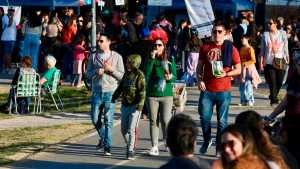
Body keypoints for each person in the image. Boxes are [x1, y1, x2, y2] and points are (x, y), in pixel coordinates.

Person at [196, 20, 241, 154]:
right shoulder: (205, 47)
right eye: (214, 31)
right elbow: (199, 67)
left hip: (224, 90)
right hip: (207, 90)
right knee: (204, 118)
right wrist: (199, 80)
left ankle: (219, 146)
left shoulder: (231, 48)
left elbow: (238, 69)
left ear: (225, 33)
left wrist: (226, 73)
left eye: (219, 31)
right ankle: (207, 139)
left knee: (222, 122)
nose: (216, 34)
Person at [86, 33, 124, 156]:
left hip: (111, 91)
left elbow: (122, 76)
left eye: (102, 41)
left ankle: (107, 146)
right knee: (94, 117)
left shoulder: (117, 57)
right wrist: (96, 71)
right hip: (97, 91)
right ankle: (103, 137)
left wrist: (111, 70)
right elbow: (88, 74)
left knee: (108, 119)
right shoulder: (93, 57)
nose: (99, 43)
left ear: (109, 42)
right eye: (98, 41)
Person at [144, 38, 177, 156]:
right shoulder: (149, 59)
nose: (157, 47)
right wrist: (152, 59)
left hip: (166, 95)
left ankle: (167, 142)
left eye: (159, 45)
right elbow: (146, 73)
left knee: (165, 120)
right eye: (155, 45)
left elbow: (175, 76)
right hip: (152, 95)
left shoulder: (170, 59)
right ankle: (154, 146)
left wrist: (170, 77)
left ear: (164, 47)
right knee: (153, 121)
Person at [112, 54, 146, 160]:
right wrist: (114, 97)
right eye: (126, 62)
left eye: (129, 62)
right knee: (123, 129)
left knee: (132, 128)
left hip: (135, 106)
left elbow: (142, 92)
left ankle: (130, 150)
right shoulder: (126, 74)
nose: (127, 64)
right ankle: (130, 144)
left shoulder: (140, 75)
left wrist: (139, 107)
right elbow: (121, 87)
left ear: (134, 64)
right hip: (125, 105)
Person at [211, 124, 276, 169]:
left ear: (245, 143)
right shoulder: (219, 165)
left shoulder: (266, 166)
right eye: (223, 145)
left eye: (231, 144)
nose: (226, 149)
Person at [260, 17, 289, 106]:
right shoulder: (265, 35)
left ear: (276, 24)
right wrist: (261, 62)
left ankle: (274, 95)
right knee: (272, 82)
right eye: (268, 23)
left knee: (280, 82)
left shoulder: (283, 33)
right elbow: (262, 50)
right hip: (269, 62)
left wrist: (287, 56)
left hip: (281, 60)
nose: (269, 25)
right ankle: (273, 100)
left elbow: (286, 46)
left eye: (271, 23)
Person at [239, 35, 261, 106]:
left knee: (248, 85)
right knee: (242, 85)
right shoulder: (241, 48)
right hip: (242, 69)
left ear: (248, 39)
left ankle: (250, 100)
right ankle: (243, 100)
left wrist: (246, 63)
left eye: (243, 39)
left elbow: (254, 60)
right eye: (241, 39)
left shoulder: (250, 49)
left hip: (249, 69)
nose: (242, 40)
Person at [1, 7, 17, 74]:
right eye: (11, 10)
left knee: (8, 54)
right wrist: (12, 17)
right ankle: (8, 68)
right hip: (6, 38)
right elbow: (9, 25)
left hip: (12, 39)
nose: (12, 12)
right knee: (7, 54)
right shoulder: (4, 17)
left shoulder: (13, 18)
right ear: (8, 11)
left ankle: (5, 68)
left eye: (13, 10)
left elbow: (14, 28)